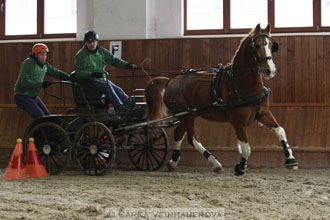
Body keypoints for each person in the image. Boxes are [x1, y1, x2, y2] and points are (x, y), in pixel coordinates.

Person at [74, 30, 139, 114]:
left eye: (93, 41)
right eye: (89, 42)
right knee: (107, 86)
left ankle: (132, 106)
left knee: (117, 89)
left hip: (101, 79)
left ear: (97, 41)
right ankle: (120, 108)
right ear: (85, 43)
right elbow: (78, 73)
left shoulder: (102, 51)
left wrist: (127, 65)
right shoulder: (81, 55)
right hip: (89, 81)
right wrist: (92, 74)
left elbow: (114, 60)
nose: (92, 44)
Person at [13, 43, 71, 119]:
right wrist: (42, 84)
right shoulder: (29, 63)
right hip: (22, 96)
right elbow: (24, 82)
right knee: (42, 118)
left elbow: (56, 73)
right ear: (36, 55)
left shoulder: (45, 65)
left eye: (45, 55)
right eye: (41, 55)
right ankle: (41, 130)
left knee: (49, 116)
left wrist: (70, 77)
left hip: (33, 96)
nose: (44, 57)